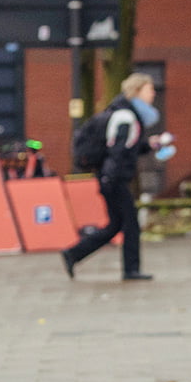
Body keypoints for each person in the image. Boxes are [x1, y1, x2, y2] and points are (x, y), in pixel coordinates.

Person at [61, 74, 172, 282]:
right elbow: (118, 150)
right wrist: (110, 178)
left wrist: (150, 144)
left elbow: (130, 147)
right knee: (130, 223)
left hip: (111, 178)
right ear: (137, 92)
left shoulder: (127, 115)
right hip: (115, 179)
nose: (153, 93)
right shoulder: (126, 117)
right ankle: (131, 269)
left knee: (115, 225)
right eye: (149, 90)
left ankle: (74, 254)